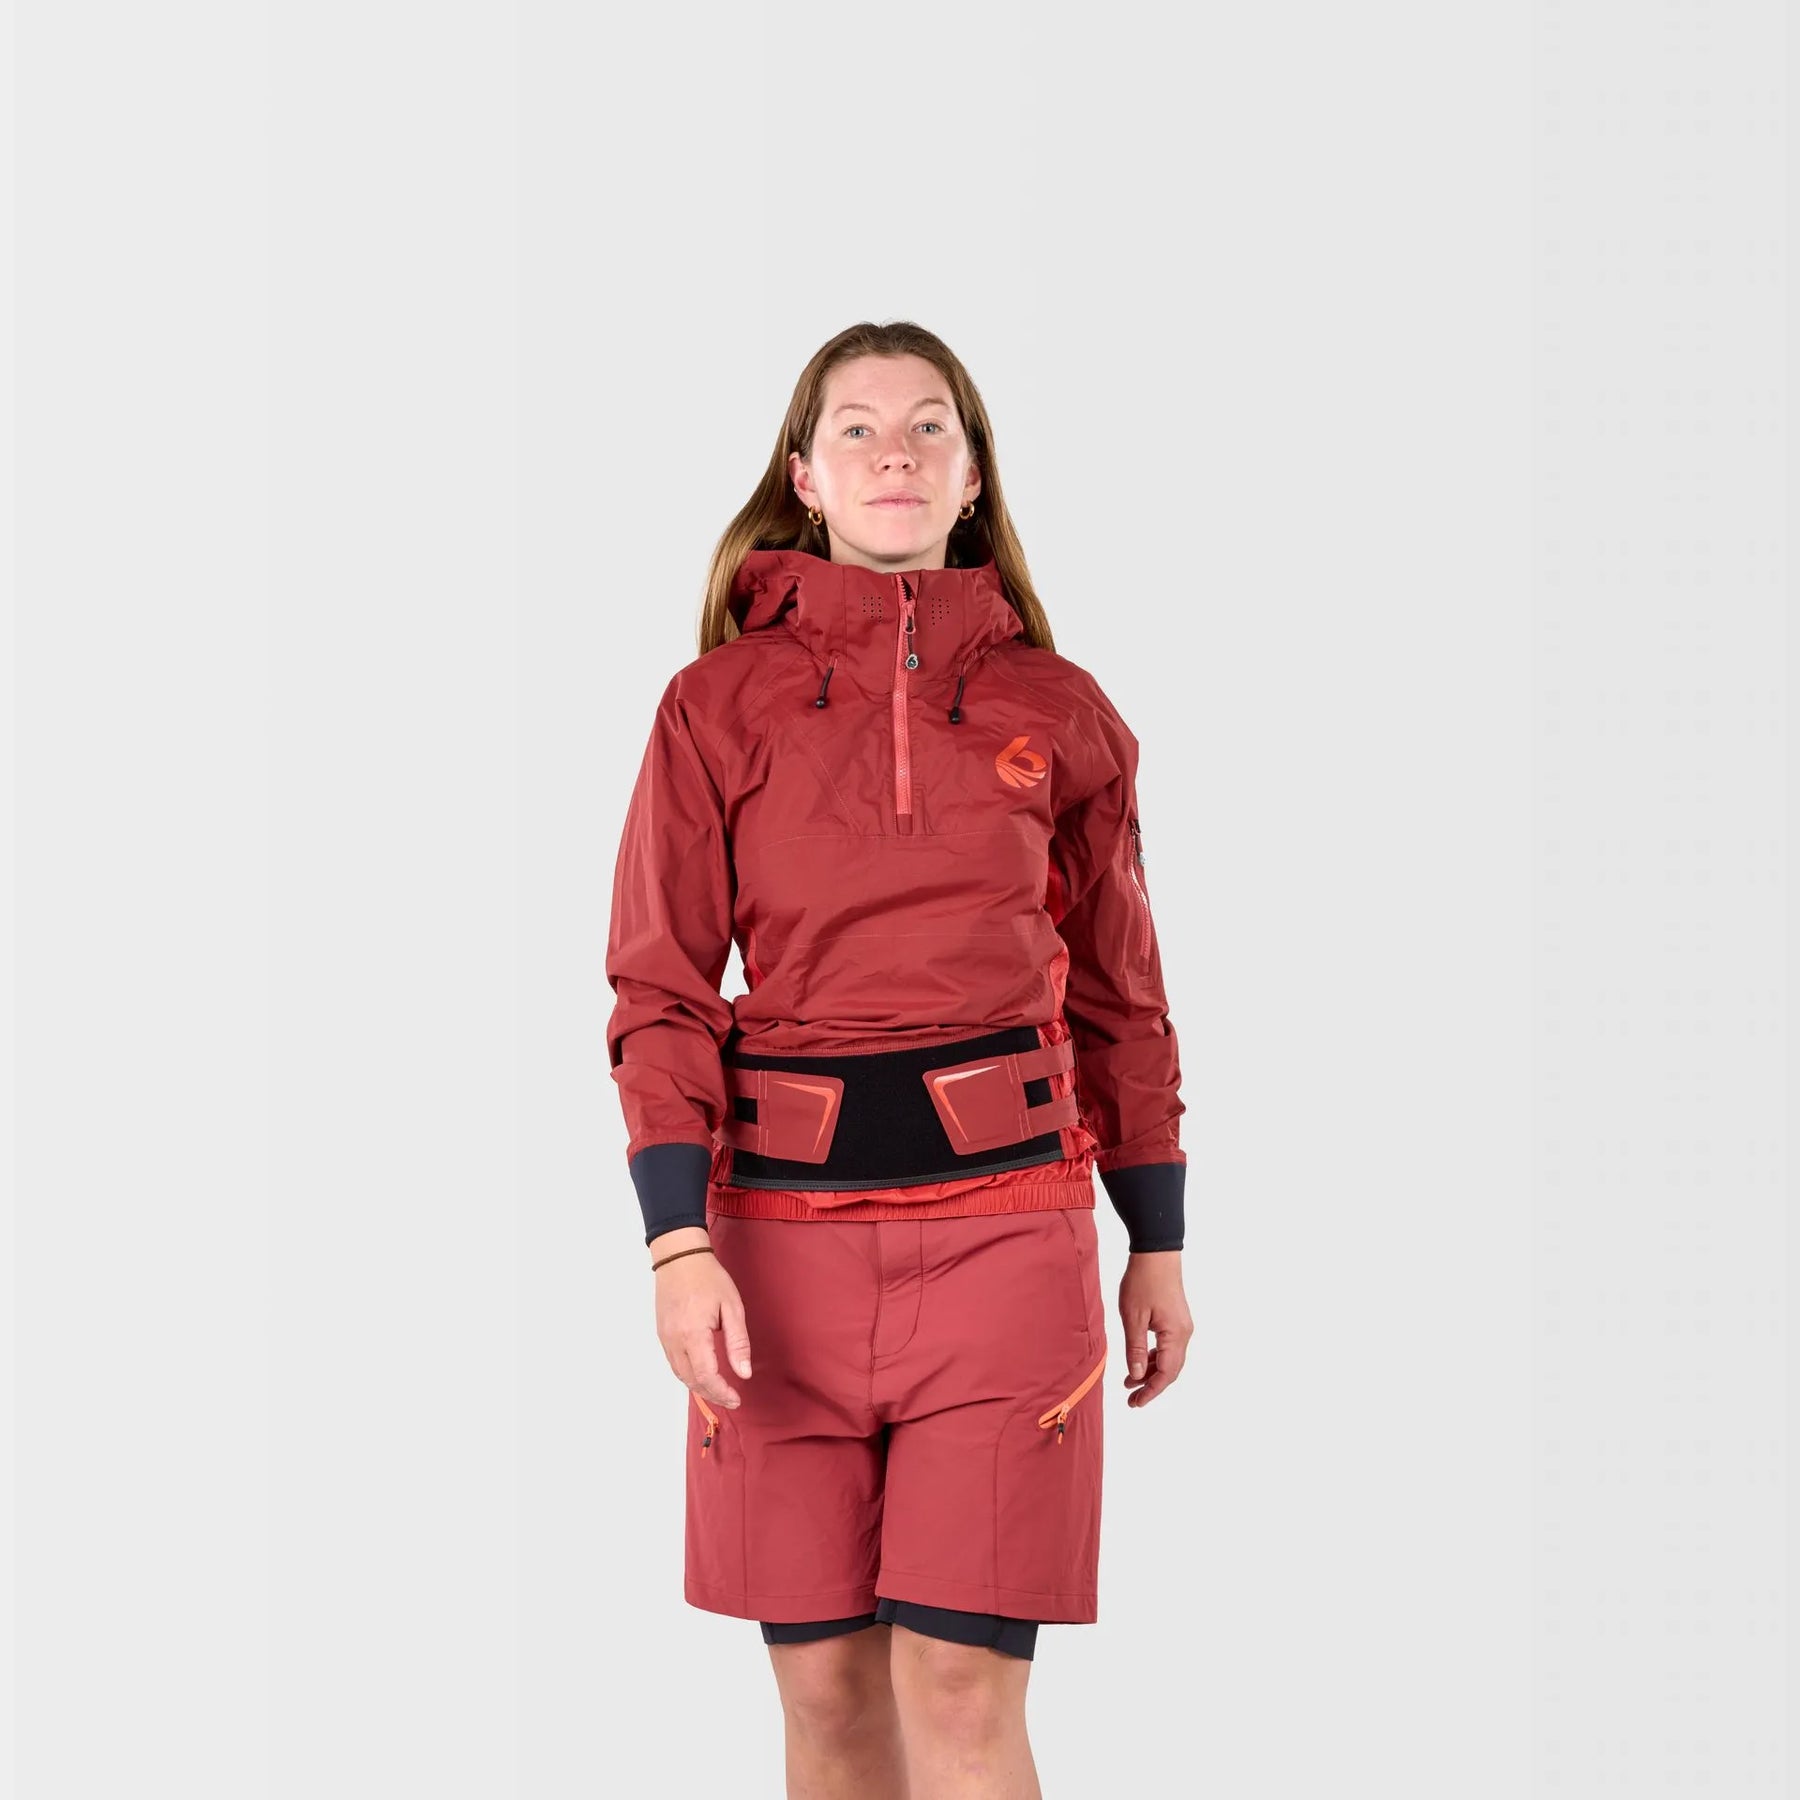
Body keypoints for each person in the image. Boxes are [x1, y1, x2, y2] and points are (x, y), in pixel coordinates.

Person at [605, 320, 1194, 1800]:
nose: (895, 453)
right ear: (805, 477)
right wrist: (676, 1243)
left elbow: (1123, 997)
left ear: (973, 475)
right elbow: (659, 987)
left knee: (960, 1692)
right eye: (857, 429)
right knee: (827, 1701)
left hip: (1008, 1240)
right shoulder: (711, 706)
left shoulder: (1061, 710)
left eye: (931, 426)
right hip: (775, 1254)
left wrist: (1158, 1239)